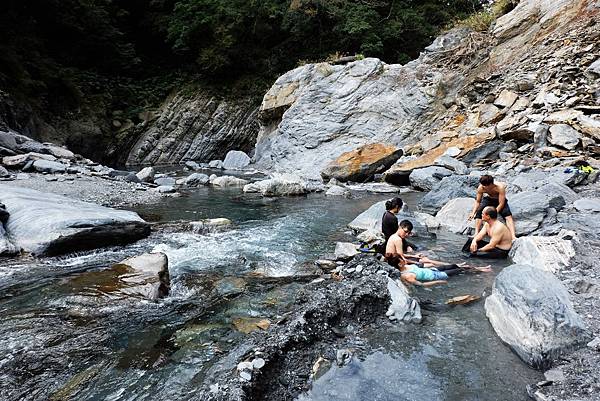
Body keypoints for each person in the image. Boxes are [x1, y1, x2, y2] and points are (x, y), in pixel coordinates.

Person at [468, 175, 516, 241]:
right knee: (479, 211)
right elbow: (478, 201)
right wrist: (473, 213)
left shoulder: (500, 187)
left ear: (491, 184)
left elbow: (501, 203)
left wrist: (494, 213)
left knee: (508, 215)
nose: (483, 187)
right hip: (489, 199)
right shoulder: (481, 188)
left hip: (499, 200)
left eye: (486, 185)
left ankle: (513, 236)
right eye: (483, 185)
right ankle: (476, 233)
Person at [399, 260, 492, 287]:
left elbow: (421, 267)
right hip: (438, 276)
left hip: (433, 270)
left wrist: (431, 263)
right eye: (401, 259)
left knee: (454, 265)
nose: (404, 260)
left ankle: (480, 268)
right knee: (461, 270)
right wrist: (438, 282)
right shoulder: (407, 276)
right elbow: (422, 284)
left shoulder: (407, 266)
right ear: (399, 264)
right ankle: (481, 270)